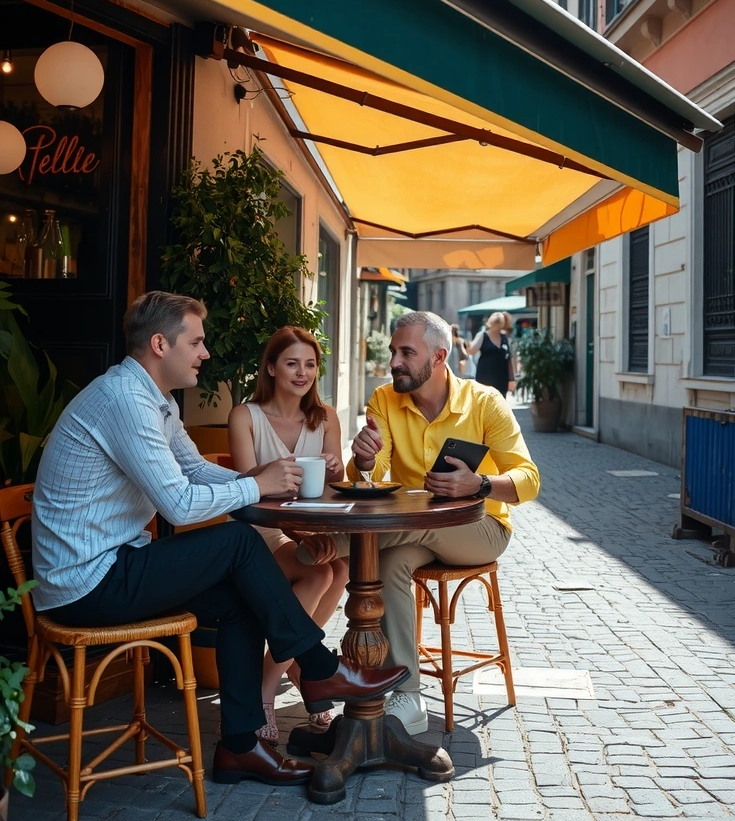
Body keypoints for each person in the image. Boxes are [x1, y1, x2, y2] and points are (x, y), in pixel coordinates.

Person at [31, 291, 409, 787]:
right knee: (237, 545)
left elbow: (195, 470)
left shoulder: (156, 401)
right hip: (86, 584)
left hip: (117, 564)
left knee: (239, 598)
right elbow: (179, 505)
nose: (205, 353)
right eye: (198, 341)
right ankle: (318, 667)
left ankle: (241, 747)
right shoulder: (125, 400)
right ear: (161, 344)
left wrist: (265, 478)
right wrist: (256, 485)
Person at [297, 311, 539, 735]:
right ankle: (408, 695)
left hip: (480, 530)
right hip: (413, 530)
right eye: (393, 351)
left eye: (407, 352)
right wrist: (367, 459)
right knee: (388, 564)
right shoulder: (384, 400)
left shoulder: (484, 403)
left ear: (440, 356)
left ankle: (337, 542)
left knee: (411, 525)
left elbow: (528, 480)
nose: (394, 361)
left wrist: (478, 483)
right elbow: (372, 476)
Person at [228, 326, 349, 744]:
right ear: (271, 367)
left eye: (310, 364)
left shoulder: (326, 417)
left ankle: (298, 666)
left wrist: (336, 472)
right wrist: (296, 533)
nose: (303, 373)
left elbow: (333, 492)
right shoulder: (245, 416)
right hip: (256, 535)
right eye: (292, 363)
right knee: (319, 575)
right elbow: (247, 492)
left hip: (302, 530)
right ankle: (270, 686)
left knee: (343, 568)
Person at [466, 311, 515, 398]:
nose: (497, 326)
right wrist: (467, 345)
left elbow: (509, 358)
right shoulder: (482, 335)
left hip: (502, 378)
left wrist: (511, 379)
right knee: (485, 401)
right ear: (491, 323)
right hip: (485, 377)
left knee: (500, 403)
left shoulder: (504, 337)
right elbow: (472, 350)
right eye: (496, 323)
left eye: (499, 323)